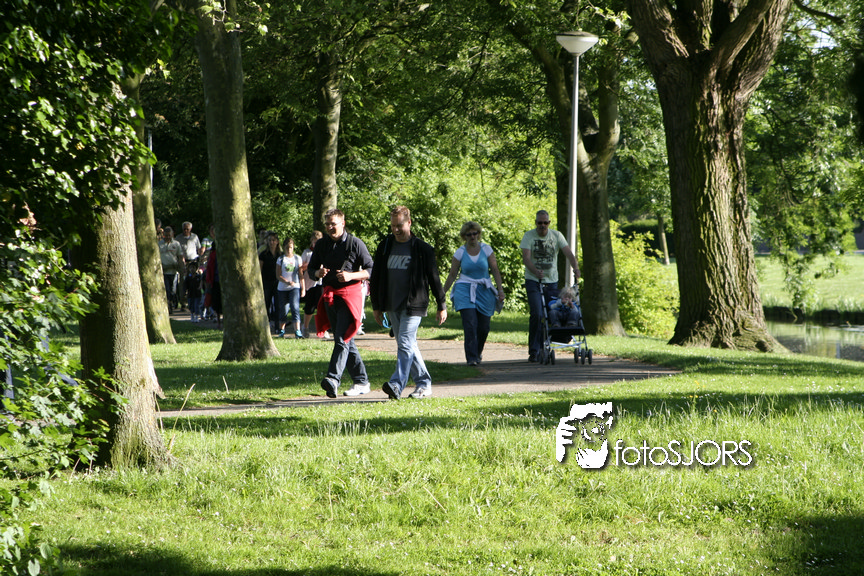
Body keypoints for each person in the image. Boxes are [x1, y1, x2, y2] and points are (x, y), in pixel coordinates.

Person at [370, 206, 447, 400]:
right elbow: (376, 276)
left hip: (414, 304)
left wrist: (441, 305)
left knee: (405, 342)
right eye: (393, 226)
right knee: (408, 345)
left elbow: (434, 278)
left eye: (400, 225)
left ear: (409, 223)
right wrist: (376, 306)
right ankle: (424, 384)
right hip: (392, 304)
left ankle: (396, 385)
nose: (396, 230)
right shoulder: (385, 246)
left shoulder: (422, 249)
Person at [307, 209, 374, 398]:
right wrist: (317, 273)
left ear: (342, 223)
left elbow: (371, 269)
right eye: (327, 224)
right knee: (346, 339)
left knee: (342, 338)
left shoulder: (355, 243)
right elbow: (311, 269)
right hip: (330, 296)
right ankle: (361, 381)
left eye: (333, 224)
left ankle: (333, 379)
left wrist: (351, 276)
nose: (330, 227)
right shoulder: (322, 244)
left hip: (350, 296)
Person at [442, 221, 505, 366]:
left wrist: (500, 290)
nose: (472, 237)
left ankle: (477, 352)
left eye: (474, 233)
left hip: (484, 289)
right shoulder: (460, 252)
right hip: (465, 289)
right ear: (464, 236)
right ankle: (471, 358)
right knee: (470, 323)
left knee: (484, 327)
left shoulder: (486, 249)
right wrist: (442, 293)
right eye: (469, 234)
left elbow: (495, 270)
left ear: (479, 234)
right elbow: (452, 274)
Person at [520, 209, 580, 362]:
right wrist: (535, 271)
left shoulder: (556, 235)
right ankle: (534, 350)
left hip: (551, 281)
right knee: (538, 313)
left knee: (552, 312)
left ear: (549, 223)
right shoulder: (529, 236)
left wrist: (575, 268)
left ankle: (548, 345)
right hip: (533, 280)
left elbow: (568, 253)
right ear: (536, 223)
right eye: (540, 223)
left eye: (545, 223)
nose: (542, 226)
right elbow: (526, 258)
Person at [276, 238, 305, 338]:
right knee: (283, 309)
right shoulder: (280, 259)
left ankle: (297, 330)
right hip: (282, 288)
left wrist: (303, 288)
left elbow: (301, 274)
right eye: (287, 248)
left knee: (295, 307)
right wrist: (286, 281)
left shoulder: (298, 258)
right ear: (284, 248)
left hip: (294, 287)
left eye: (291, 247)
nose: (289, 250)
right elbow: (278, 275)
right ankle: (281, 330)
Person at [300, 231, 324, 338]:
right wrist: (311, 265)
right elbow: (301, 268)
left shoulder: (324, 252)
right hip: (309, 282)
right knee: (310, 306)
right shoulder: (307, 253)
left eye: (318, 241)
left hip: (320, 282)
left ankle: (323, 328)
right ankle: (305, 327)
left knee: (321, 306)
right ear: (311, 241)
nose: (316, 244)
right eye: (315, 241)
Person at [176, 221, 202, 311]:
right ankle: (183, 303)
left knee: (194, 282)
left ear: (190, 229)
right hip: (183, 262)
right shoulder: (178, 238)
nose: (185, 231)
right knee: (183, 282)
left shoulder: (195, 237)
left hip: (193, 261)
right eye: (184, 229)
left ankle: (194, 302)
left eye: (187, 229)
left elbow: (199, 248)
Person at [259, 232, 281, 332]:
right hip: (266, 282)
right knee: (266, 304)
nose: (271, 242)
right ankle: (266, 325)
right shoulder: (263, 254)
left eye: (273, 240)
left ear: (277, 242)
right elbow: (260, 269)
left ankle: (277, 326)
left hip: (277, 282)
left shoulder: (280, 255)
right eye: (270, 240)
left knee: (277, 304)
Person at [159, 226, 184, 314]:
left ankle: (174, 302)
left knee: (173, 290)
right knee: (167, 289)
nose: (168, 237)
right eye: (166, 235)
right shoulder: (159, 244)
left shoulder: (176, 244)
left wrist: (182, 267)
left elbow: (180, 256)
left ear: (172, 234)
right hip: (164, 271)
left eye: (169, 235)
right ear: (163, 235)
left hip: (174, 271)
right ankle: (169, 307)